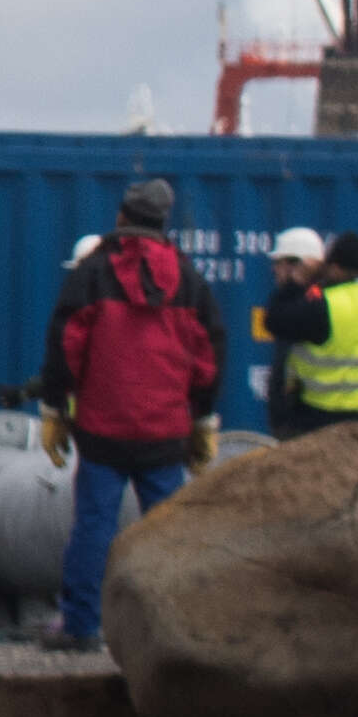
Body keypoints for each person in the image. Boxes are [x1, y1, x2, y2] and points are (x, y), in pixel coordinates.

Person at [42, 177, 223, 648]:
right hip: (165, 432)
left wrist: (55, 408)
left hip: (102, 430)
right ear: (163, 223)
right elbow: (208, 356)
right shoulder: (190, 281)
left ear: (121, 217)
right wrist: (203, 419)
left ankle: (80, 627)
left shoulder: (92, 274)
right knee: (168, 533)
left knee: (94, 529)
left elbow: (66, 346)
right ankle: (177, 630)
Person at [257, 226, 358, 434]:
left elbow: (275, 320)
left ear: (334, 267)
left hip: (322, 421)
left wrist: (296, 282)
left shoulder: (325, 307)